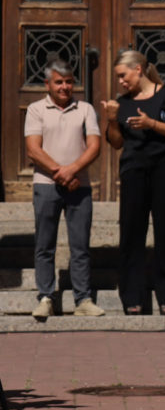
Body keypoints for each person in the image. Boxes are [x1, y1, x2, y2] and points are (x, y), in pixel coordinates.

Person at [102, 50, 165, 315]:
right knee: (131, 233)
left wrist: (151, 123)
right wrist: (112, 120)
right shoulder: (122, 102)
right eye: (118, 77)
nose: (120, 81)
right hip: (134, 171)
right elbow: (116, 142)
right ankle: (132, 297)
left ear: (138, 69)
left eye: (123, 75)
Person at [25, 60, 103, 319]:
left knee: (80, 246)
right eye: (59, 82)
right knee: (44, 245)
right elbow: (33, 149)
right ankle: (46, 297)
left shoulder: (85, 109)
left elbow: (94, 146)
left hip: (79, 187)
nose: (64, 87)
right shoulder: (36, 109)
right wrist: (62, 173)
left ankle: (83, 299)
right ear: (47, 84)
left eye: (69, 82)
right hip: (46, 186)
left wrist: (73, 170)